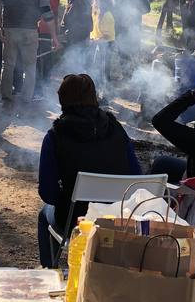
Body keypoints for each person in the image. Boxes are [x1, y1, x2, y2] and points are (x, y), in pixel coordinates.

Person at [36, 74, 141, 267]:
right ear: (94, 97)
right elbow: (136, 176)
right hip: (119, 221)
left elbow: (48, 194)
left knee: (44, 215)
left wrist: (67, 195)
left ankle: (49, 270)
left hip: (77, 223)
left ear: (62, 99)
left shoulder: (54, 136)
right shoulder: (116, 128)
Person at [0, 0, 54, 104]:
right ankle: (26, 98)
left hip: (9, 28)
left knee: (8, 64)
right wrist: (54, 37)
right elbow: (47, 12)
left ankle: (6, 95)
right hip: (29, 30)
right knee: (30, 65)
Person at [113, 0, 150, 69]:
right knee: (122, 53)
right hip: (121, 29)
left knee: (134, 53)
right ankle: (126, 76)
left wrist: (135, 12)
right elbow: (115, 9)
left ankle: (135, 76)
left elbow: (147, 8)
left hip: (134, 29)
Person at [35, 0, 60, 93]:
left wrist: (55, 30)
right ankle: (38, 84)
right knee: (37, 57)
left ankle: (45, 82)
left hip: (46, 29)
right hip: (35, 28)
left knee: (45, 56)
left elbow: (54, 12)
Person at [59, 0, 92, 73]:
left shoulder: (79, 2)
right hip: (75, 42)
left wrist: (68, 32)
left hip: (77, 44)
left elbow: (87, 25)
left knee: (76, 71)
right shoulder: (77, 1)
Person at [90, 0, 116, 97]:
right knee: (97, 68)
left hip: (107, 44)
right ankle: (97, 93)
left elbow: (107, 35)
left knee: (105, 71)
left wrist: (95, 41)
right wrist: (92, 38)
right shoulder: (96, 11)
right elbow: (95, 29)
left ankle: (106, 96)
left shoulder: (108, 15)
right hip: (99, 44)